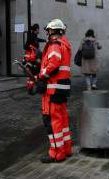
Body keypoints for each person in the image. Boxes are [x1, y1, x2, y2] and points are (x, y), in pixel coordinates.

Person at [35, 19, 72, 163]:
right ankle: (66, 149)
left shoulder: (55, 45)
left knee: (52, 121)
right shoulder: (65, 45)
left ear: (51, 31)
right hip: (61, 88)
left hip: (52, 88)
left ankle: (56, 153)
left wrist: (39, 76)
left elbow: (53, 64)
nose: (47, 34)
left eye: (48, 32)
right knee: (62, 119)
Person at [23, 23, 45, 94]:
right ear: (36, 29)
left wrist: (44, 40)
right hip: (31, 59)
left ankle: (36, 88)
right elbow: (26, 46)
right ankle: (30, 89)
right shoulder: (31, 36)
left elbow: (37, 40)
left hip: (35, 58)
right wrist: (32, 49)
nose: (39, 30)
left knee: (36, 72)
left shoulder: (34, 36)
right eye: (39, 28)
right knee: (32, 73)